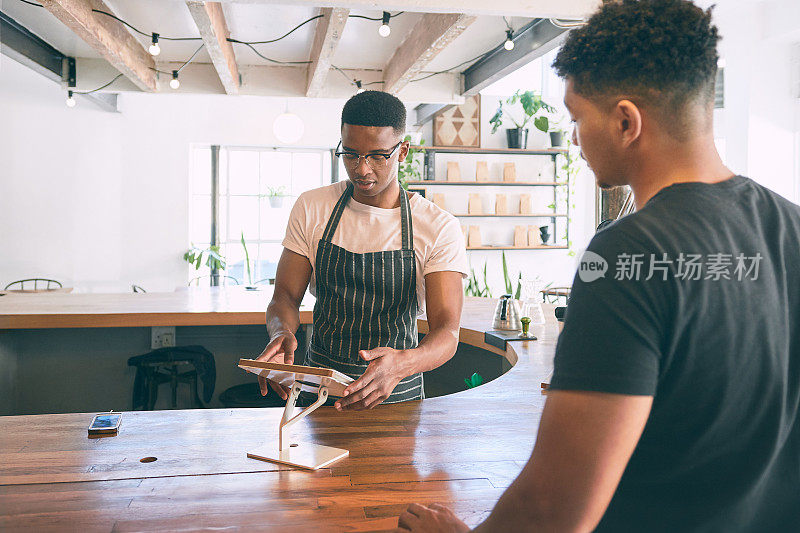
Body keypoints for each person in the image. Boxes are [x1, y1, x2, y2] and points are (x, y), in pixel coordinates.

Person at [397, 0, 800, 531]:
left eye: (577, 119)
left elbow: (553, 507)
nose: (574, 140)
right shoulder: (792, 225)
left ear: (626, 121)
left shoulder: (624, 256)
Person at [256, 90, 467, 410]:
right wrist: (279, 332)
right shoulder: (312, 207)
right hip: (319, 393)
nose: (362, 169)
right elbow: (284, 297)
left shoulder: (436, 226)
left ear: (403, 151)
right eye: (351, 154)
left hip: (397, 398)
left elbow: (447, 333)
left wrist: (402, 364)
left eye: (378, 155)